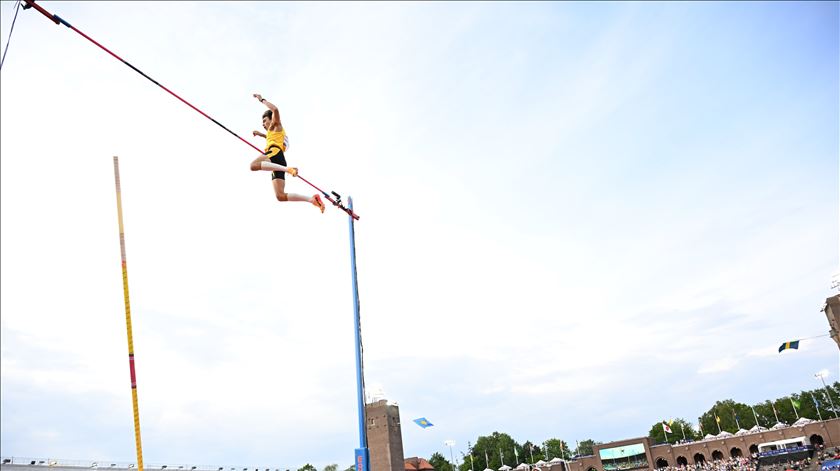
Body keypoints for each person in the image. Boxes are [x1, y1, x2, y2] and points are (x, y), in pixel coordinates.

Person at [249, 93, 325, 212]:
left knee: (253, 165)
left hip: (274, 154)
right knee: (280, 196)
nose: (263, 124)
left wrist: (261, 99)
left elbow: (275, 109)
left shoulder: (276, 124)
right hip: (278, 159)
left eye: (264, 121)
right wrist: (261, 134)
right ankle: (311, 200)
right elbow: (273, 139)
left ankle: (288, 169)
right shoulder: (273, 132)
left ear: (271, 119)